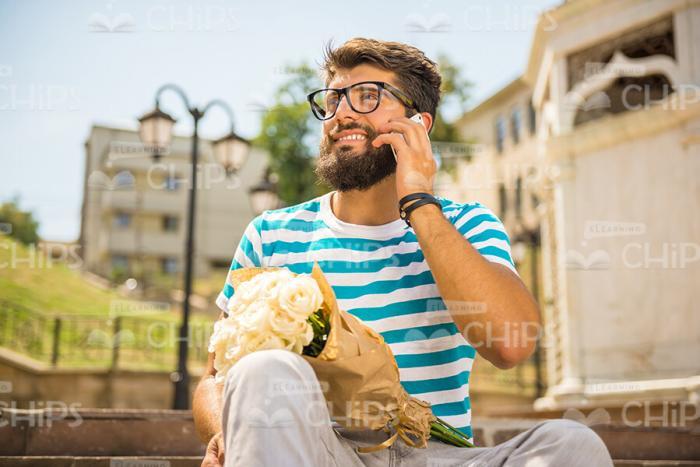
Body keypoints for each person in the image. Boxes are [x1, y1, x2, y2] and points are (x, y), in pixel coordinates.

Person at [193, 37, 613, 467]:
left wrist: (419, 203)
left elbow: (511, 344)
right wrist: (231, 432)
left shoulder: (467, 224)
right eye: (333, 100)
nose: (342, 114)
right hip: (318, 451)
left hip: (437, 455)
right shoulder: (271, 234)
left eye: (368, 96)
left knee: (573, 445)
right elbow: (213, 378)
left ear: (419, 123)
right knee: (261, 371)